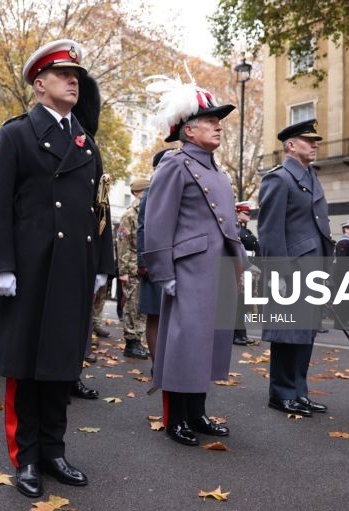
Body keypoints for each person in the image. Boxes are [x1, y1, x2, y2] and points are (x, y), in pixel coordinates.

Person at [0, 39, 114, 498]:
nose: (73, 82)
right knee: (26, 366)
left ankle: (54, 450)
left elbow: (99, 208)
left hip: (74, 266)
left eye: (76, 77)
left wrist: (102, 262)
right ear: (39, 85)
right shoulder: (17, 134)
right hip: (30, 268)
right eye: (63, 76)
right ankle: (27, 457)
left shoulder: (85, 141)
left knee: (62, 365)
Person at [143, 76, 245, 446]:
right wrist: (163, 271)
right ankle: (176, 418)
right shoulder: (175, 165)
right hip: (188, 270)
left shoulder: (217, 169)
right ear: (189, 129)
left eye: (219, 121)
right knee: (184, 345)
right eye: (211, 121)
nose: (219, 126)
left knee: (208, 344)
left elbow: (227, 224)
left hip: (216, 269)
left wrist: (239, 263)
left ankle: (197, 413)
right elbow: (158, 222)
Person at [257, 119, 334, 417]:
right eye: (308, 140)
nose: (315, 145)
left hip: (312, 269)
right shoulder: (279, 179)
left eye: (316, 141)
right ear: (290, 145)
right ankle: (282, 393)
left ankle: (299, 392)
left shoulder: (310, 176)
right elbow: (269, 231)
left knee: (305, 333)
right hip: (291, 270)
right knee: (287, 332)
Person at [137, 149, 170, 365]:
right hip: (154, 261)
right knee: (155, 314)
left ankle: (168, 363)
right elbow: (143, 228)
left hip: (173, 261)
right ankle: (157, 365)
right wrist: (144, 261)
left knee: (168, 315)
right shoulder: (152, 190)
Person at [116, 177, 150, 359]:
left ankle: (138, 339)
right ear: (137, 192)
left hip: (143, 267)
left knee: (141, 306)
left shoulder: (147, 211)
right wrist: (123, 271)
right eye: (146, 191)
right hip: (131, 267)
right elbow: (122, 244)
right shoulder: (129, 214)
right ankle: (131, 342)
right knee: (131, 305)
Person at [233, 201, 260, 345]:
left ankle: (241, 333)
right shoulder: (236, 230)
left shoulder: (246, 231)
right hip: (241, 269)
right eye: (245, 213)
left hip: (249, 269)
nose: (248, 215)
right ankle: (236, 335)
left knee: (243, 304)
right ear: (237, 213)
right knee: (238, 303)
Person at [333, 220, 349, 330]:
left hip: (348, 275)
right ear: (346, 229)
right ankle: (340, 323)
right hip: (344, 275)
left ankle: (344, 322)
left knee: (347, 300)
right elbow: (342, 262)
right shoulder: (343, 243)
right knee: (343, 301)